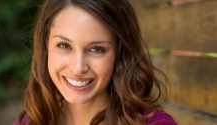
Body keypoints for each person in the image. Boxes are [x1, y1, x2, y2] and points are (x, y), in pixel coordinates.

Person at [14, 0, 177, 124]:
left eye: (97, 49)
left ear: (121, 54)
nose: (78, 68)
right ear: (46, 47)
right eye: (64, 46)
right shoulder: (30, 121)